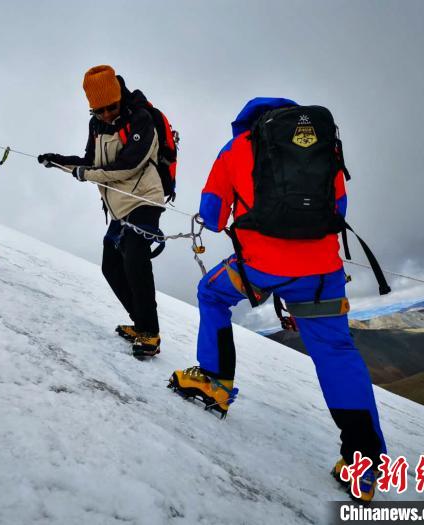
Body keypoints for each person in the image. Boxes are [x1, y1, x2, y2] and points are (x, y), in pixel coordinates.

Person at [169, 97, 387, 502]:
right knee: (337, 352)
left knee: (212, 294)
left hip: (260, 267)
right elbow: (338, 206)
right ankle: (365, 463)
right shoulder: (323, 145)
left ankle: (216, 382)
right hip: (321, 272)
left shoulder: (236, 149)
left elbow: (214, 216)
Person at [38, 65, 164, 358]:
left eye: (111, 107)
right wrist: (57, 161)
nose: (107, 115)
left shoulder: (141, 119)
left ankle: (150, 333)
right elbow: (89, 162)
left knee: (135, 260)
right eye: (99, 111)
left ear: (119, 98)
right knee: (111, 266)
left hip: (146, 200)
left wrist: (86, 174)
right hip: (119, 207)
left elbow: (128, 165)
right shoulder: (96, 126)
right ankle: (141, 323)